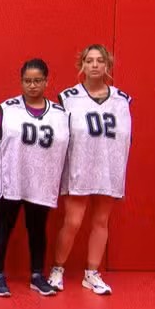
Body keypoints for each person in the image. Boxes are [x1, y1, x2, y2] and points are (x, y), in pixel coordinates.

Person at [48, 45, 132, 295]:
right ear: (82, 65)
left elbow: (126, 137)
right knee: (73, 221)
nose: (95, 65)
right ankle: (57, 269)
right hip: (79, 165)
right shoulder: (68, 97)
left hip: (109, 165)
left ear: (108, 65)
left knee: (101, 221)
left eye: (100, 60)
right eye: (90, 60)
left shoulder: (122, 99)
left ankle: (92, 273)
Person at [0, 59, 70, 297]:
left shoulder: (60, 113)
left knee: (37, 228)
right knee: (3, 225)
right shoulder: (7, 107)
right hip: (12, 176)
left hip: (42, 178)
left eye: (37, 80)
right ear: (21, 81)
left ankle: (36, 275)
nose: (32, 85)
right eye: (27, 81)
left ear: (46, 81)